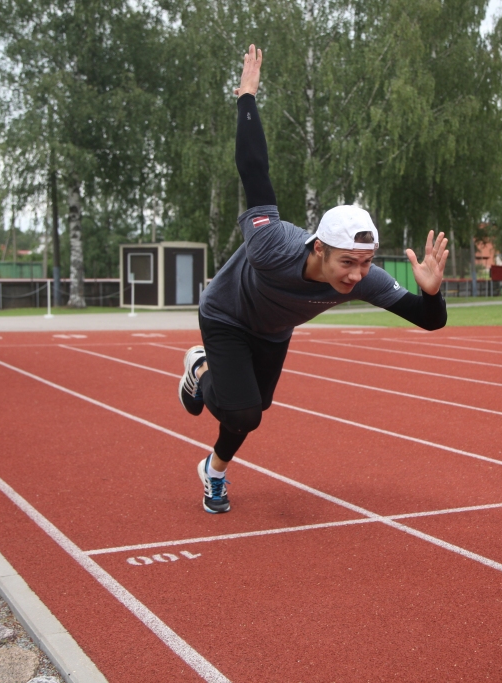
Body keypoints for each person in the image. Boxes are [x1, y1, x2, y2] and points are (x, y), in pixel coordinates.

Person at [179, 44, 450, 513]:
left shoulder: (363, 280)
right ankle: (200, 368)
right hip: (226, 314)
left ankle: (213, 470)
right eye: (348, 262)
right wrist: (246, 96)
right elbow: (254, 169)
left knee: (252, 415)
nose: (358, 274)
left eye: (365, 262)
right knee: (241, 408)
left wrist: (432, 292)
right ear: (320, 249)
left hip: (271, 331)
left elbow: (429, 321)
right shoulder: (272, 245)